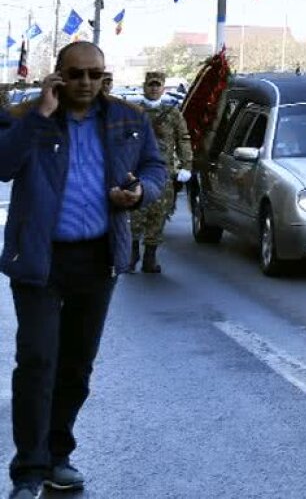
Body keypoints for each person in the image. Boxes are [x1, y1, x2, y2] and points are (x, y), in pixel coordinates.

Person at [0, 41, 167, 498]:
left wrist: (140, 193)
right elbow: (2, 165)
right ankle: (28, 471)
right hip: (39, 260)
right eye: (76, 74)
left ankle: (58, 456)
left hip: (96, 259)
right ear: (58, 75)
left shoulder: (129, 119)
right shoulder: (24, 116)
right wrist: (40, 115)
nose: (86, 84)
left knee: (75, 367)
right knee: (37, 361)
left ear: (105, 76)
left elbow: (155, 167)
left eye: (95, 74)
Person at [129, 71, 193, 273]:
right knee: (135, 213)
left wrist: (186, 166)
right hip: (137, 171)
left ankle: (150, 256)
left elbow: (183, 139)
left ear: (163, 88)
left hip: (163, 172)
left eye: (158, 85)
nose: (154, 89)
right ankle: (131, 253)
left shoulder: (173, 113)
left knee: (159, 213)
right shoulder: (134, 112)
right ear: (144, 86)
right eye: (151, 85)